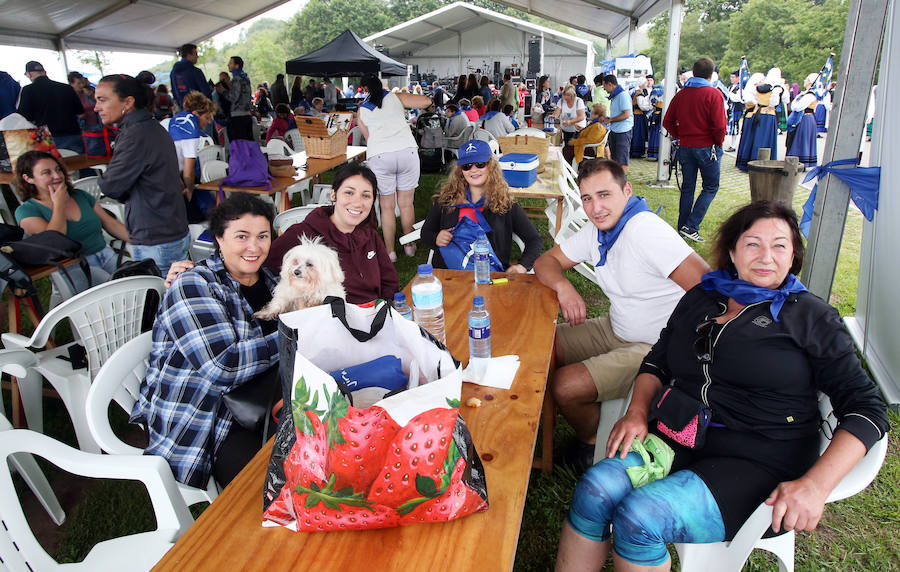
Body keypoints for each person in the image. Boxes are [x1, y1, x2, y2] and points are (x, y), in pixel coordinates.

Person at [555, 200, 889, 571]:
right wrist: (635, 413)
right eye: (752, 244)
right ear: (732, 251)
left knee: (640, 518)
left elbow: (866, 408)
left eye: (780, 245)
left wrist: (816, 485)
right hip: (678, 436)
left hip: (758, 461)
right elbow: (657, 359)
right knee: (594, 490)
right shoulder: (704, 296)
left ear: (793, 255)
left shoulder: (811, 318)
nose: (766, 256)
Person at [533, 159, 709, 473]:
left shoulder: (644, 231)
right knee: (540, 346)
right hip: (616, 327)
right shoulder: (597, 231)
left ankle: (590, 443)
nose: (595, 207)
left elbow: (706, 287)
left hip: (654, 346)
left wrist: (684, 351)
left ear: (626, 191)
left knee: (565, 386)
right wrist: (563, 286)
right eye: (587, 198)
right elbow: (546, 262)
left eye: (604, 195)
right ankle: (553, 420)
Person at [132, 193, 280, 489]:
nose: (254, 246)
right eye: (242, 236)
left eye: (263, 236)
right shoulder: (194, 284)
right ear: (219, 239)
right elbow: (223, 366)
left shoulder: (272, 281)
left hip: (264, 398)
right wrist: (292, 335)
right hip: (206, 417)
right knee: (272, 485)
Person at [95, 74, 190, 274]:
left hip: (156, 236)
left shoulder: (135, 135)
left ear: (128, 102)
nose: (96, 107)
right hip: (168, 227)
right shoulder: (150, 127)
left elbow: (111, 186)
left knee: (157, 298)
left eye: (102, 100)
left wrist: (106, 180)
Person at [264, 163, 399, 303]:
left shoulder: (369, 235)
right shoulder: (302, 234)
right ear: (334, 195)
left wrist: (383, 308)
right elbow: (264, 268)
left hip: (375, 315)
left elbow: (389, 281)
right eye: (349, 193)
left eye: (366, 195)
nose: (357, 203)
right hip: (330, 319)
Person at [14, 150, 129, 293]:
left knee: (143, 276)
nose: (56, 176)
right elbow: (55, 240)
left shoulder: (80, 196)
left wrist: (143, 241)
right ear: (28, 178)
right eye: (46, 172)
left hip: (105, 255)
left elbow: (110, 223)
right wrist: (59, 205)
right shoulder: (27, 211)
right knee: (116, 289)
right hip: (70, 267)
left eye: (58, 170)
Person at [420, 139, 542, 273]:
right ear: (460, 170)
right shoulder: (445, 201)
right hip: (450, 274)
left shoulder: (505, 204)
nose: (473, 170)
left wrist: (522, 266)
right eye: (467, 166)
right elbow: (426, 233)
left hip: (490, 274)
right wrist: (436, 238)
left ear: (491, 166)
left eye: (479, 164)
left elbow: (534, 240)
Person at [356, 75, 432, 261]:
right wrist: (403, 96)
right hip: (407, 151)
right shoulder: (396, 97)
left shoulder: (361, 110)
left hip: (381, 155)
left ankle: (390, 252)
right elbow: (426, 101)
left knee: (387, 207)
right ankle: (409, 246)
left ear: (364, 89)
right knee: (406, 204)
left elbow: (368, 137)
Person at [662, 58, 728, 244]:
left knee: (688, 187)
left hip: (686, 146)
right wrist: (718, 143)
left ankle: (683, 225)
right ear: (711, 74)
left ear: (693, 72)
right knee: (710, 186)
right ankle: (690, 227)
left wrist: (680, 135)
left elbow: (667, 121)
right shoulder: (713, 94)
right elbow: (719, 126)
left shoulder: (682, 94)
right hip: (707, 147)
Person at [168, 91, 217, 223]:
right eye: (207, 117)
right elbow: (188, 174)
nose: (208, 122)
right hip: (173, 179)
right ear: (196, 114)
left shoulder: (171, 121)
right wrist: (189, 189)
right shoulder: (190, 128)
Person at [17, 61, 84, 153]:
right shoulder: (66, 88)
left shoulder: (28, 90)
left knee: (53, 166)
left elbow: (25, 116)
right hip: (72, 133)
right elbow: (80, 112)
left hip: (47, 137)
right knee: (79, 164)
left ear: (29, 74)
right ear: (44, 72)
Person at [785, 73, 820, 169]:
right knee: (801, 139)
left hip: (805, 119)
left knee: (801, 140)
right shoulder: (809, 94)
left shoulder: (810, 95)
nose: (804, 81)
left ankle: (800, 161)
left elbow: (796, 107)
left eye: (806, 79)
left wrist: (797, 98)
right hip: (807, 118)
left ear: (810, 82)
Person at [600, 75, 634, 172]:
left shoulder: (623, 95)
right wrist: (608, 119)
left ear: (610, 84)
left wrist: (610, 120)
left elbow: (626, 114)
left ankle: (622, 181)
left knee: (622, 159)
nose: (604, 89)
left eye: (604, 86)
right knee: (615, 158)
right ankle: (616, 179)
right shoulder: (616, 96)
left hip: (623, 131)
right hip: (615, 129)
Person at [170, 44, 211, 108]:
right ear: (189, 55)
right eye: (196, 54)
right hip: (199, 109)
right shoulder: (195, 71)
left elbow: (174, 92)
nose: (197, 57)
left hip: (183, 108)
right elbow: (205, 92)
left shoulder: (173, 73)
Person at [223, 56, 253, 141]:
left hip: (238, 115)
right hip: (247, 113)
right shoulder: (245, 78)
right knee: (248, 142)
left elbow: (233, 97)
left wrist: (223, 91)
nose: (228, 65)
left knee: (239, 143)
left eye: (230, 63)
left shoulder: (236, 79)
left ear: (237, 66)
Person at [629, 76, 653, 158]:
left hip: (637, 115)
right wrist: (650, 106)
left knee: (637, 133)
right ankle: (637, 152)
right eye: (646, 82)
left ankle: (635, 151)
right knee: (638, 134)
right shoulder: (639, 93)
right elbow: (642, 106)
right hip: (638, 115)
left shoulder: (635, 91)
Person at [725, 70, 745, 152]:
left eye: (733, 77)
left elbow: (739, 98)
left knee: (735, 127)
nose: (731, 79)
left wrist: (729, 94)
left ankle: (733, 145)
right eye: (731, 77)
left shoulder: (741, 88)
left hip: (736, 110)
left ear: (738, 78)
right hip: (729, 109)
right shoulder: (730, 87)